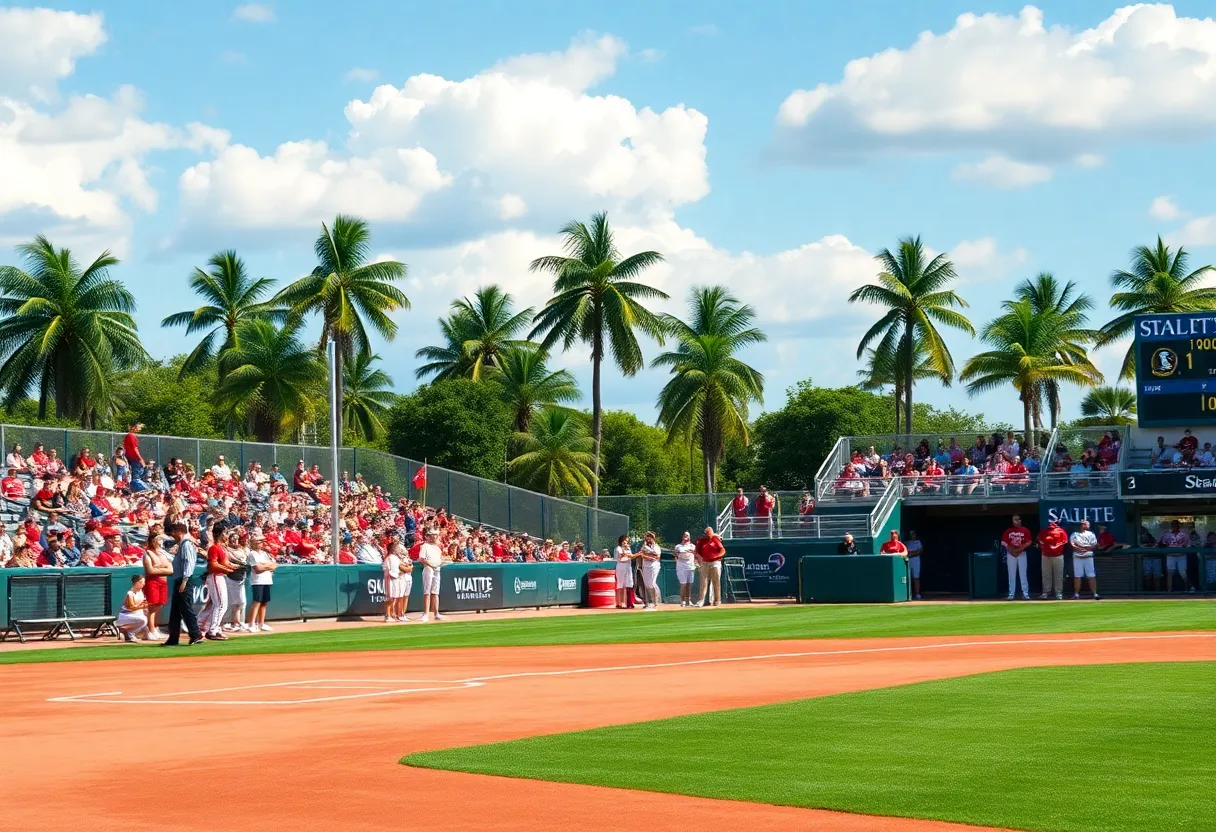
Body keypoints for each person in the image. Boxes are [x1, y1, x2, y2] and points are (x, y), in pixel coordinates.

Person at [163, 522, 203, 647]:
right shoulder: (182, 545)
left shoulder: (186, 544)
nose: (172, 534)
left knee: (186, 609)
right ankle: (173, 638)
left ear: (179, 531)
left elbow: (189, 563)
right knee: (175, 611)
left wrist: (184, 581)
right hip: (179, 579)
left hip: (184, 580)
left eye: (173, 531)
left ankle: (196, 634)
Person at [199, 527, 235, 640]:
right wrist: (228, 570)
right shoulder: (214, 548)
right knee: (220, 605)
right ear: (220, 534)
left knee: (215, 605)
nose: (227, 536)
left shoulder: (221, 548)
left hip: (220, 577)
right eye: (225, 533)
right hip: (215, 577)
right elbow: (212, 565)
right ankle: (212, 631)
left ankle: (201, 627)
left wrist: (236, 567)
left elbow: (226, 563)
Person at [142, 526, 173, 639]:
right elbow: (150, 570)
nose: (160, 542)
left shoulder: (163, 553)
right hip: (153, 582)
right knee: (152, 607)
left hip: (163, 582)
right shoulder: (148, 554)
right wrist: (163, 568)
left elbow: (170, 570)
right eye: (158, 540)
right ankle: (150, 630)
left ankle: (154, 628)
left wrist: (159, 568)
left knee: (158, 606)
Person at [246, 532, 276, 632]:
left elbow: (274, 565)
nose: (263, 543)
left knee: (264, 603)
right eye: (260, 542)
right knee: (257, 602)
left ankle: (261, 623)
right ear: (255, 543)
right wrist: (267, 566)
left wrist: (265, 565)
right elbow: (257, 569)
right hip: (257, 581)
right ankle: (251, 624)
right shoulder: (252, 554)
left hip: (267, 580)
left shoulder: (265, 554)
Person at [223, 531, 250, 632]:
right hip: (230, 577)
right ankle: (230, 623)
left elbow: (246, 558)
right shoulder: (226, 549)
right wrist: (240, 563)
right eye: (232, 538)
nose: (234, 540)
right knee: (234, 602)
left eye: (236, 538)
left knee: (241, 602)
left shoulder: (242, 549)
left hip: (241, 577)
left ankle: (237, 623)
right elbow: (229, 560)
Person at [1001, 515, 1033, 601]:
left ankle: (1025, 594)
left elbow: (1029, 542)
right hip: (1010, 554)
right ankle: (1011, 594)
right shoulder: (1008, 531)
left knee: (1023, 574)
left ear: (1020, 520)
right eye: (1014, 520)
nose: (1016, 521)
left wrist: (1020, 549)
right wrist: (1011, 551)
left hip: (1022, 553)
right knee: (1011, 575)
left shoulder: (1025, 530)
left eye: (1017, 519)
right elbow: (1004, 542)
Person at [418, 528, 445, 622]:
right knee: (427, 592)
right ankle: (425, 614)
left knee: (435, 592)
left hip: (437, 569)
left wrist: (441, 563)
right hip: (428, 569)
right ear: (428, 537)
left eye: (435, 535)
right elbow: (421, 559)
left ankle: (436, 613)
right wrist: (431, 565)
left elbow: (440, 560)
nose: (434, 537)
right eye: (432, 535)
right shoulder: (425, 546)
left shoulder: (438, 548)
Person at [1160, 520, 1195, 593]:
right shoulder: (1167, 535)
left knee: (1183, 573)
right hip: (1170, 555)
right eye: (1173, 526)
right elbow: (1163, 545)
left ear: (1179, 526)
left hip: (1181, 555)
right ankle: (1169, 590)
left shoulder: (1184, 534)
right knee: (1170, 573)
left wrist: (1182, 551)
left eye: (1176, 525)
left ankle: (1188, 588)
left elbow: (1188, 546)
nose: (1175, 527)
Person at [693, 526, 725, 607]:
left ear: (711, 533)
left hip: (715, 562)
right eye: (705, 533)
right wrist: (698, 557)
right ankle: (701, 601)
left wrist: (716, 556)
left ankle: (717, 600)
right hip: (704, 562)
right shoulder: (700, 541)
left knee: (716, 581)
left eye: (708, 533)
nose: (706, 535)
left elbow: (722, 550)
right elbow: (696, 552)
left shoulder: (715, 539)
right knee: (703, 582)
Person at [1069, 519, 1100, 600]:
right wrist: (1079, 548)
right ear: (1081, 525)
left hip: (1088, 556)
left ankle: (1095, 594)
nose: (1087, 525)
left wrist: (1086, 548)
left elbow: (1095, 544)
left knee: (1091, 575)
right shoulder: (1074, 534)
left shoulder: (1091, 534)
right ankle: (1076, 594)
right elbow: (1072, 544)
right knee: (1077, 576)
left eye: (1087, 524)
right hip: (1077, 557)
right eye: (1085, 524)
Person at [1038, 520, 1068, 600]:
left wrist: (1055, 547)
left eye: (1055, 522)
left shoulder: (1061, 531)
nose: (1052, 524)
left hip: (1058, 555)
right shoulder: (1044, 531)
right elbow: (1040, 541)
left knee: (1058, 574)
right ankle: (1046, 592)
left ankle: (1058, 593)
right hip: (1046, 555)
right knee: (1046, 574)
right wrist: (1045, 548)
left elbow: (1064, 542)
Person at [383, 540, 412, 622]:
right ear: (391, 548)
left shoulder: (396, 558)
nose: (396, 548)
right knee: (390, 598)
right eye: (395, 547)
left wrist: (406, 568)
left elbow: (401, 567)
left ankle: (393, 615)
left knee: (395, 597)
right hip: (390, 580)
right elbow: (390, 570)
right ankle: (387, 616)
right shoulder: (388, 558)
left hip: (397, 579)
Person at [116, 575, 150, 643]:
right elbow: (131, 608)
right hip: (125, 616)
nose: (143, 584)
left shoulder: (140, 592)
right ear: (137, 583)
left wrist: (145, 605)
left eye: (143, 582)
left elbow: (143, 602)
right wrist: (143, 606)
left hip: (136, 615)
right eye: (141, 582)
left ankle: (126, 630)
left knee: (145, 623)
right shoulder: (130, 593)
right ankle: (129, 632)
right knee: (143, 620)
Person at [638, 531, 662, 610]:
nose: (649, 538)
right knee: (647, 584)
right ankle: (648, 602)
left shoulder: (656, 547)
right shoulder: (644, 546)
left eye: (650, 537)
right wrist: (649, 556)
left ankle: (656, 602)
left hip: (654, 566)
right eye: (648, 536)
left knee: (652, 583)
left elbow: (657, 556)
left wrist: (648, 555)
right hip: (646, 566)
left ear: (653, 538)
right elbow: (642, 555)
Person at [673, 531, 697, 607]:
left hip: (690, 566)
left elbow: (696, 555)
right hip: (681, 567)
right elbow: (675, 555)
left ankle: (688, 601)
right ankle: (682, 601)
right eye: (684, 535)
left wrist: (692, 552)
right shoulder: (678, 546)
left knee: (689, 585)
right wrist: (677, 554)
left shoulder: (693, 546)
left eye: (687, 535)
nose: (685, 536)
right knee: (683, 584)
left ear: (689, 537)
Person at [614, 535, 636, 609]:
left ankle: (627, 603)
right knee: (620, 584)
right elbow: (621, 557)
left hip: (628, 566)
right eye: (624, 542)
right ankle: (619, 603)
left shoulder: (628, 548)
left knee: (627, 584)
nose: (626, 543)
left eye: (627, 542)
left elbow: (631, 556)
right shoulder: (618, 549)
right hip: (621, 566)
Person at [905, 530, 923, 600]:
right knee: (907, 577)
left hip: (915, 561)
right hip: (907, 560)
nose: (912, 535)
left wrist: (912, 554)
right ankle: (908, 594)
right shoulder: (906, 542)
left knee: (916, 577)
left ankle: (917, 594)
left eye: (913, 534)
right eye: (910, 534)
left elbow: (920, 550)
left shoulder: (918, 542)